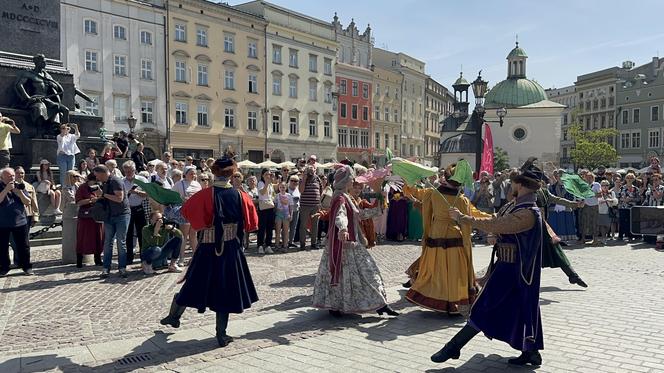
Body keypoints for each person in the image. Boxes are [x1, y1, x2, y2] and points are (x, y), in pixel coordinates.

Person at [432, 162, 545, 367]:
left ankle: (454, 346)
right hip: (506, 267)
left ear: (520, 184)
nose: (511, 186)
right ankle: (532, 353)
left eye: (513, 182)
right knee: (519, 308)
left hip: (517, 271)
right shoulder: (516, 205)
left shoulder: (529, 211)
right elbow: (498, 223)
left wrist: (464, 218)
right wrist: (495, 235)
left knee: (483, 307)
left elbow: (499, 224)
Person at [160, 156, 259, 348]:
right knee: (227, 290)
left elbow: (184, 213)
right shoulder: (242, 196)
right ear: (232, 174)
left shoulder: (205, 195)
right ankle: (221, 335)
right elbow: (252, 224)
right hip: (230, 248)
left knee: (194, 283)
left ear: (214, 173)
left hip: (207, 246)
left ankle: (173, 316)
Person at [403, 162, 489, 315]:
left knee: (434, 269)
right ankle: (457, 302)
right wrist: (493, 218)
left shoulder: (432, 193)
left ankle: (436, 299)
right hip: (454, 235)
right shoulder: (461, 200)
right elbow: (474, 215)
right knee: (455, 271)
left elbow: (414, 192)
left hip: (435, 234)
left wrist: (408, 183)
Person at [312, 165, 398, 317]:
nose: (353, 181)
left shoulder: (346, 197)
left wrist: (378, 198)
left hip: (351, 242)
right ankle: (336, 305)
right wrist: (343, 229)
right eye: (351, 179)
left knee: (363, 274)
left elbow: (359, 214)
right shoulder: (339, 198)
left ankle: (380, 304)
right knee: (359, 273)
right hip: (345, 244)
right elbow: (340, 215)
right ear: (346, 181)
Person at [94, 165, 131, 278]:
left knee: (121, 242)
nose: (96, 178)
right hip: (109, 215)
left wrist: (103, 195)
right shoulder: (104, 183)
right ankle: (106, 268)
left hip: (121, 215)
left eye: (97, 175)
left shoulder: (115, 181)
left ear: (102, 173)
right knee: (107, 242)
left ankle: (122, 268)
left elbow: (119, 198)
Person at [0, 168, 33, 276]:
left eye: (13, 176)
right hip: (3, 222)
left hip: (20, 221)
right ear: (2, 177)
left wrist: (19, 193)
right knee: (2, 247)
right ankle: (4, 267)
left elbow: (28, 202)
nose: (12, 178)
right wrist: (6, 190)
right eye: (9, 176)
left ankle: (26, 266)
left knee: (24, 245)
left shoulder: (19, 186)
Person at [10, 167, 39, 268]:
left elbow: (34, 202)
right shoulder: (9, 186)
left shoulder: (29, 186)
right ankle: (18, 259)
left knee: (24, 240)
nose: (20, 175)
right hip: (13, 216)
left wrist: (35, 216)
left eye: (22, 173)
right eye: (18, 173)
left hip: (27, 215)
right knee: (13, 240)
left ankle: (22, 261)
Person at [173, 166, 202, 261]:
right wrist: (181, 200)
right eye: (191, 173)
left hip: (195, 212)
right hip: (184, 211)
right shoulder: (179, 184)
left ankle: (195, 256)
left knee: (193, 234)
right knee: (184, 235)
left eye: (194, 173)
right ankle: (181, 257)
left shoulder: (197, 184)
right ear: (185, 174)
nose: (193, 175)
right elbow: (172, 197)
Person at [123, 161, 148, 265]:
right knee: (128, 235)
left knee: (142, 233)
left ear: (134, 170)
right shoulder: (121, 181)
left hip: (139, 209)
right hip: (127, 210)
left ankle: (143, 256)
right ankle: (129, 257)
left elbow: (147, 194)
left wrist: (136, 192)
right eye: (127, 171)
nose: (129, 173)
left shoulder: (142, 180)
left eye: (131, 171)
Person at [75, 173, 103, 267]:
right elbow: (79, 202)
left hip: (97, 215)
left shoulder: (98, 187)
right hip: (85, 217)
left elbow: (103, 197)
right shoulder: (82, 188)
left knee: (98, 237)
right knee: (83, 238)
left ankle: (98, 259)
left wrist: (100, 196)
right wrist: (91, 200)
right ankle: (79, 261)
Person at [298, 157, 322, 250]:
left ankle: (313, 243)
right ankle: (302, 244)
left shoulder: (317, 178)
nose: (311, 171)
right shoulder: (303, 178)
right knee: (303, 225)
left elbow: (320, 190)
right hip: (305, 205)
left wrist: (319, 202)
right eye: (309, 169)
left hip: (315, 205)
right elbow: (301, 190)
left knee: (315, 225)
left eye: (312, 169)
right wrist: (304, 178)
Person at [579, 172, 601, 245]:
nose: (588, 178)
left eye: (590, 177)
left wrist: (592, 194)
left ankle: (595, 239)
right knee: (584, 222)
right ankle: (583, 239)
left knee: (594, 222)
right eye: (587, 177)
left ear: (593, 178)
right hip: (586, 205)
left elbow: (600, 195)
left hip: (594, 206)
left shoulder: (596, 184)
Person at [256, 168, 275, 254]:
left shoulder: (270, 184)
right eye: (267, 174)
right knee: (262, 227)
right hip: (263, 208)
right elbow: (262, 193)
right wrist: (267, 183)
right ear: (263, 175)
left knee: (270, 227)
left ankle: (268, 245)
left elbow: (271, 195)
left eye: (269, 174)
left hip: (270, 207)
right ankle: (260, 245)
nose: (268, 176)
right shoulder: (260, 183)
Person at [617, 172, 640, 241]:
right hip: (623, 207)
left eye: (631, 178)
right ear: (625, 179)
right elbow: (618, 197)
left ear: (633, 179)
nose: (629, 179)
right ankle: (620, 236)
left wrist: (631, 199)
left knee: (630, 222)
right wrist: (623, 199)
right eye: (628, 178)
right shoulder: (622, 188)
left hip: (631, 208)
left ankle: (630, 236)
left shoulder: (636, 189)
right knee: (622, 221)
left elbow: (638, 199)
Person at [598, 180, 618, 245]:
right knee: (602, 225)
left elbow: (616, 201)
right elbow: (597, 201)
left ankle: (607, 236)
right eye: (603, 185)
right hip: (601, 211)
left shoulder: (612, 193)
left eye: (606, 185)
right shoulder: (599, 193)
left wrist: (610, 199)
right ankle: (604, 238)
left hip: (609, 211)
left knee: (608, 226)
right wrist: (602, 201)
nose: (605, 187)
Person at [274, 182, 293, 252]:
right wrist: (276, 210)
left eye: (283, 187)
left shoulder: (289, 196)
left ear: (286, 188)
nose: (282, 188)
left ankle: (285, 246)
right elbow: (275, 205)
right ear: (279, 188)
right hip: (279, 214)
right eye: (281, 187)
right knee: (278, 231)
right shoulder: (277, 196)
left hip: (286, 214)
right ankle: (277, 245)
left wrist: (291, 215)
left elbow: (291, 206)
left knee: (286, 231)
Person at [286, 174, 301, 249]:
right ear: (289, 181)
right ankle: (285, 242)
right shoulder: (286, 189)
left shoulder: (298, 189)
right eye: (292, 180)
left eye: (296, 181)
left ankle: (290, 242)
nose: (294, 182)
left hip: (296, 210)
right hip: (287, 210)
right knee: (286, 227)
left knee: (293, 227)